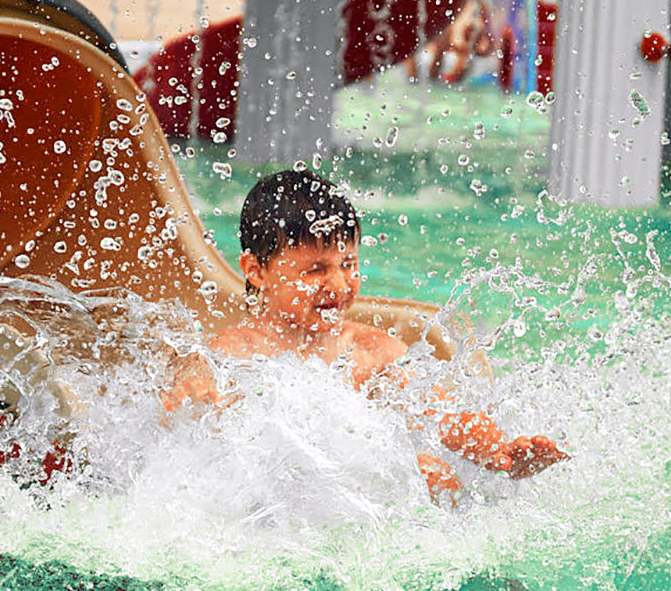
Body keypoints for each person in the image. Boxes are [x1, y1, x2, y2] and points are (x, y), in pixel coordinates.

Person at [167, 169, 568, 503]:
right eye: (316, 270)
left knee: (433, 475)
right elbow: (193, 436)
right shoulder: (233, 356)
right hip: (276, 507)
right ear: (256, 271)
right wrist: (192, 389)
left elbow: (444, 414)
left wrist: (499, 452)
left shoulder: (370, 352)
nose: (339, 284)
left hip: (350, 504)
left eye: (348, 263)